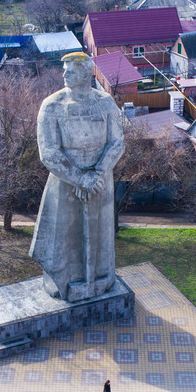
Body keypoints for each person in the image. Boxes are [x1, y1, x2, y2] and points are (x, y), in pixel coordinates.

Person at [29, 52, 124, 303]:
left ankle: (101, 281)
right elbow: (48, 152)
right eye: (64, 70)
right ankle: (61, 283)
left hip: (100, 183)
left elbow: (117, 142)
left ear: (85, 73)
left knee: (100, 239)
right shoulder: (52, 106)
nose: (64, 75)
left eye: (70, 70)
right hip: (65, 185)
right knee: (63, 240)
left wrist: (95, 174)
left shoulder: (105, 103)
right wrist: (80, 179)